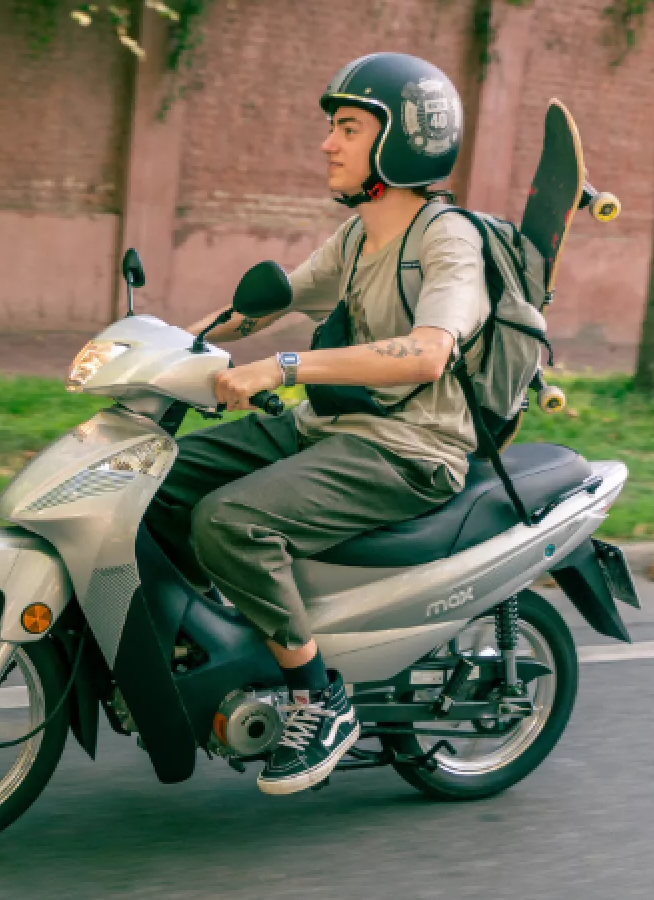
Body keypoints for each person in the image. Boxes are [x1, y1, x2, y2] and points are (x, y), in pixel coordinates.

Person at [144, 52, 491, 795]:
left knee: (229, 522)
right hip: (333, 427)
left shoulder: (448, 241)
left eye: (349, 128)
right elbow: (269, 303)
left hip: (409, 449)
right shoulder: (358, 238)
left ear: (403, 143)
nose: (328, 143)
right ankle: (208, 645)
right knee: (152, 478)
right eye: (333, 128)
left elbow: (429, 353)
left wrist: (284, 368)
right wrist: (166, 349)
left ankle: (319, 699)